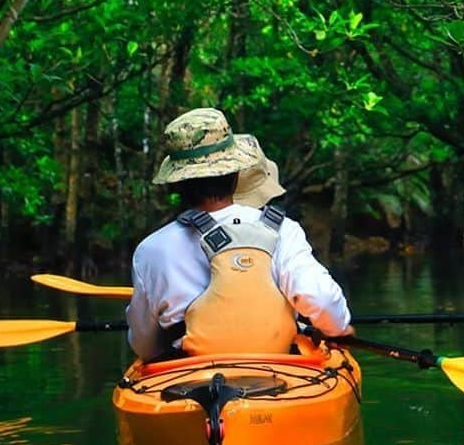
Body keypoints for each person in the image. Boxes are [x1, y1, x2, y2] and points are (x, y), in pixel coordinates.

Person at [126, 108, 351, 360]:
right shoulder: (283, 231)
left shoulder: (151, 250)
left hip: (190, 378)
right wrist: (338, 330)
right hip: (280, 370)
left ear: (177, 182)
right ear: (235, 175)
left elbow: (145, 346)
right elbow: (321, 299)